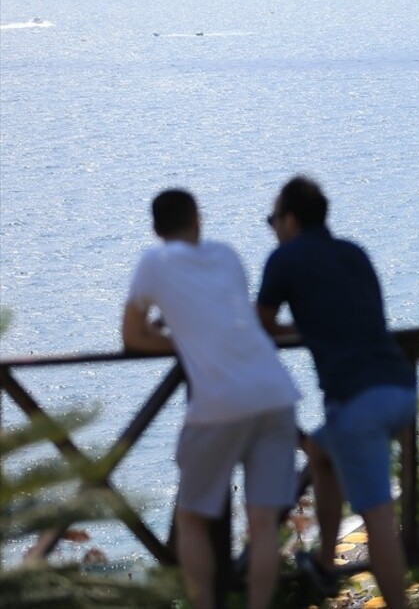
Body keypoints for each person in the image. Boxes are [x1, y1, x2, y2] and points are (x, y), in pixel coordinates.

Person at [123, 189, 300, 609]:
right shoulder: (227, 255)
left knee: (192, 519)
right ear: (197, 221)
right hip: (275, 393)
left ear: (155, 229)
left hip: (221, 403)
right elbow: (227, 318)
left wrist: (183, 341)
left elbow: (132, 335)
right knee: (262, 525)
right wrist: (193, 337)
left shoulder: (153, 262)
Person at [257, 177, 415, 609]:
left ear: (290, 219)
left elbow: (262, 324)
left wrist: (301, 331)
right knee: (322, 453)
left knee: (378, 518)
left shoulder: (284, 260)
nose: (272, 227)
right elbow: (365, 319)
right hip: (400, 386)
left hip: (358, 401)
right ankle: (327, 565)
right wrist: (316, 329)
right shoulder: (354, 253)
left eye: (273, 218)